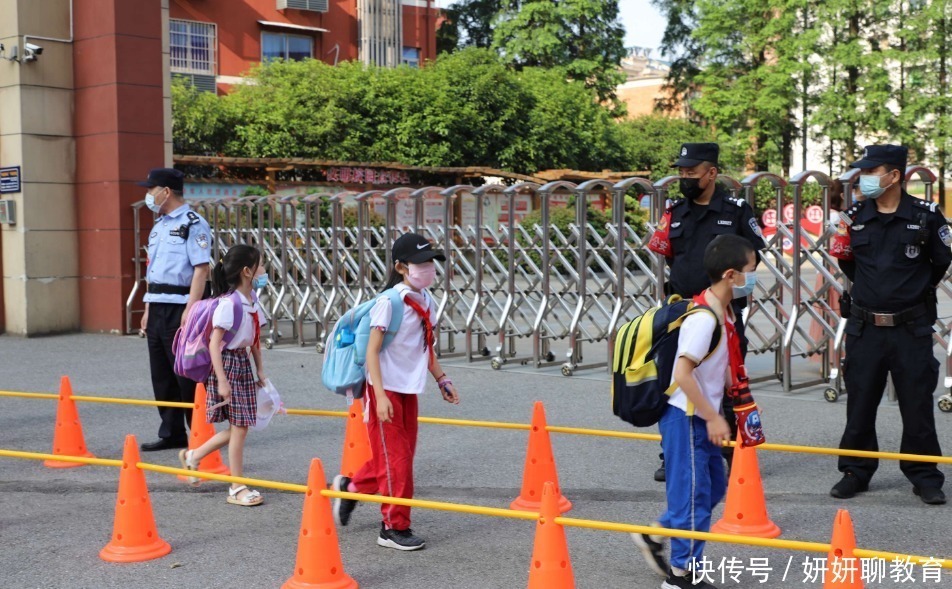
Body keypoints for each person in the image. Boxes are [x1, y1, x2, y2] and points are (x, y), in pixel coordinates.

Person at [829, 145, 950, 505]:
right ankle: (856, 471)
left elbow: (940, 263)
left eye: (871, 171)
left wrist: (907, 293)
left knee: (917, 404)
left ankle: (924, 474)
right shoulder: (852, 217)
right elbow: (846, 263)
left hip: (910, 328)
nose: (863, 179)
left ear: (894, 175)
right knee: (861, 402)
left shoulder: (926, 216)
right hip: (865, 328)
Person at [634, 235, 757, 589]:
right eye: (751, 270)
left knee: (713, 487)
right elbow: (683, 374)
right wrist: (714, 416)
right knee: (693, 495)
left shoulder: (726, 310)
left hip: (702, 413)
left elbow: (722, 360)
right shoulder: (704, 318)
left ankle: (657, 534)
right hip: (687, 416)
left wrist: (740, 396)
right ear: (731, 275)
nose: (754, 276)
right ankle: (680, 576)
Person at [331, 232, 461, 550]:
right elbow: (372, 351)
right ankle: (392, 527)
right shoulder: (388, 303)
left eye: (430, 262)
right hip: (384, 389)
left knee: (397, 459)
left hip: (409, 389)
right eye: (421, 263)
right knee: (398, 461)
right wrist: (381, 397)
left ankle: (351, 486)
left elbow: (424, 348)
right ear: (401, 267)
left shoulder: (425, 301)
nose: (428, 268)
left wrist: (442, 379)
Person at [647, 143, 767, 482]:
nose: (684, 178)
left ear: (711, 173)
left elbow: (754, 255)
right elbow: (668, 254)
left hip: (721, 313)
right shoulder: (675, 210)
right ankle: (672, 455)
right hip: (680, 312)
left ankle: (730, 454)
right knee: (674, 383)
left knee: (727, 383)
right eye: (681, 172)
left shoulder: (736, 210)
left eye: (691, 172)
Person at [179, 244, 269, 506]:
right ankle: (236, 487)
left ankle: (194, 456)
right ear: (246, 271)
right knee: (240, 428)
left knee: (239, 427)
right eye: (259, 265)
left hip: (241, 363)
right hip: (228, 365)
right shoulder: (229, 305)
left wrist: (260, 368)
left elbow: (254, 340)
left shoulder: (252, 301)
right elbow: (214, 344)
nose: (263, 270)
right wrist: (221, 379)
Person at [139, 168, 211, 452]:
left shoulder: (193, 223)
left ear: (165, 192)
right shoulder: (159, 225)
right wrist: (147, 307)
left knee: (185, 373)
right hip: (156, 304)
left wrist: (191, 309)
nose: (148, 194)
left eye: (151, 188)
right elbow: (152, 270)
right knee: (161, 374)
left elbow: (201, 268)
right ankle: (171, 432)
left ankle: (199, 432)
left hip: (180, 306)